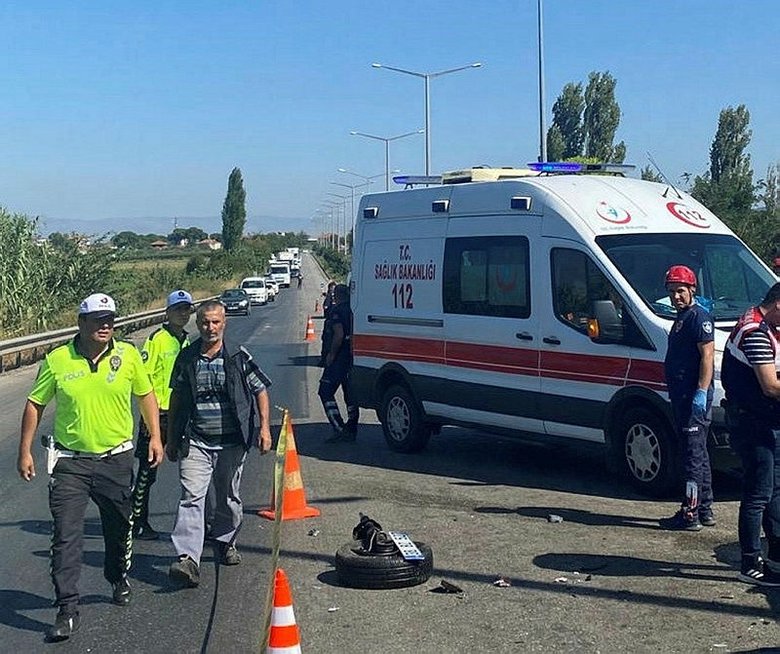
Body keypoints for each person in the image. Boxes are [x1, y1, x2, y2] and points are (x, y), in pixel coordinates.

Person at [17, 293, 163, 641]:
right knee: (66, 535)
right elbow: (35, 403)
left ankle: (117, 576)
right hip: (70, 462)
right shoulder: (57, 360)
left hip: (116, 458)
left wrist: (155, 436)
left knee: (118, 527)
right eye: (98, 319)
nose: (106, 325)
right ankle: (67, 608)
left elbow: (145, 395)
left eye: (110, 318)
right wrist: (25, 451)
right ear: (81, 323)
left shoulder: (127, 355)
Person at [166, 300, 272, 588]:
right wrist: (171, 438)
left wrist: (264, 428)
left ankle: (225, 541)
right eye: (204, 323)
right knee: (191, 497)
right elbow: (176, 398)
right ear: (197, 324)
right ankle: (188, 558)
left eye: (215, 322)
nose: (209, 328)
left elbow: (260, 390)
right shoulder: (187, 358)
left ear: (224, 323)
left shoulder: (238, 356)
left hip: (232, 441)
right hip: (197, 440)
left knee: (228, 496)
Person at [722, 282, 780, 585]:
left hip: (763, 420)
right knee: (758, 492)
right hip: (752, 422)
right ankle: (750, 562)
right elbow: (770, 385)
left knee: (773, 488)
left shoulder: (761, 322)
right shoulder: (754, 331)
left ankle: (774, 553)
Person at [131, 289, 193, 540]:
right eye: (177, 309)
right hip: (158, 415)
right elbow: (142, 381)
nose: (182, 313)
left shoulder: (186, 340)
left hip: (180, 415)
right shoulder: (157, 339)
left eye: (186, 309)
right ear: (167, 312)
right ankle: (137, 521)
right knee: (148, 472)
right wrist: (149, 418)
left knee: (192, 470)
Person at [658, 265, 716, 531]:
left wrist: (701, 392)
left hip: (693, 397)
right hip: (681, 396)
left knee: (692, 456)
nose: (676, 296)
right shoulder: (682, 317)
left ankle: (690, 512)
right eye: (672, 292)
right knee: (699, 453)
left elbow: (707, 356)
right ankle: (705, 508)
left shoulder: (698, 318)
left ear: (692, 289)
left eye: (680, 291)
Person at [318, 283, 359, 442]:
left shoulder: (337, 312)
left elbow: (339, 334)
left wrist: (331, 355)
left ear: (337, 296)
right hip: (352, 357)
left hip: (339, 358)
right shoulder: (354, 310)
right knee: (350, 394)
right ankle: (352, 427)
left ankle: (339, 427)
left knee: (325, 391)